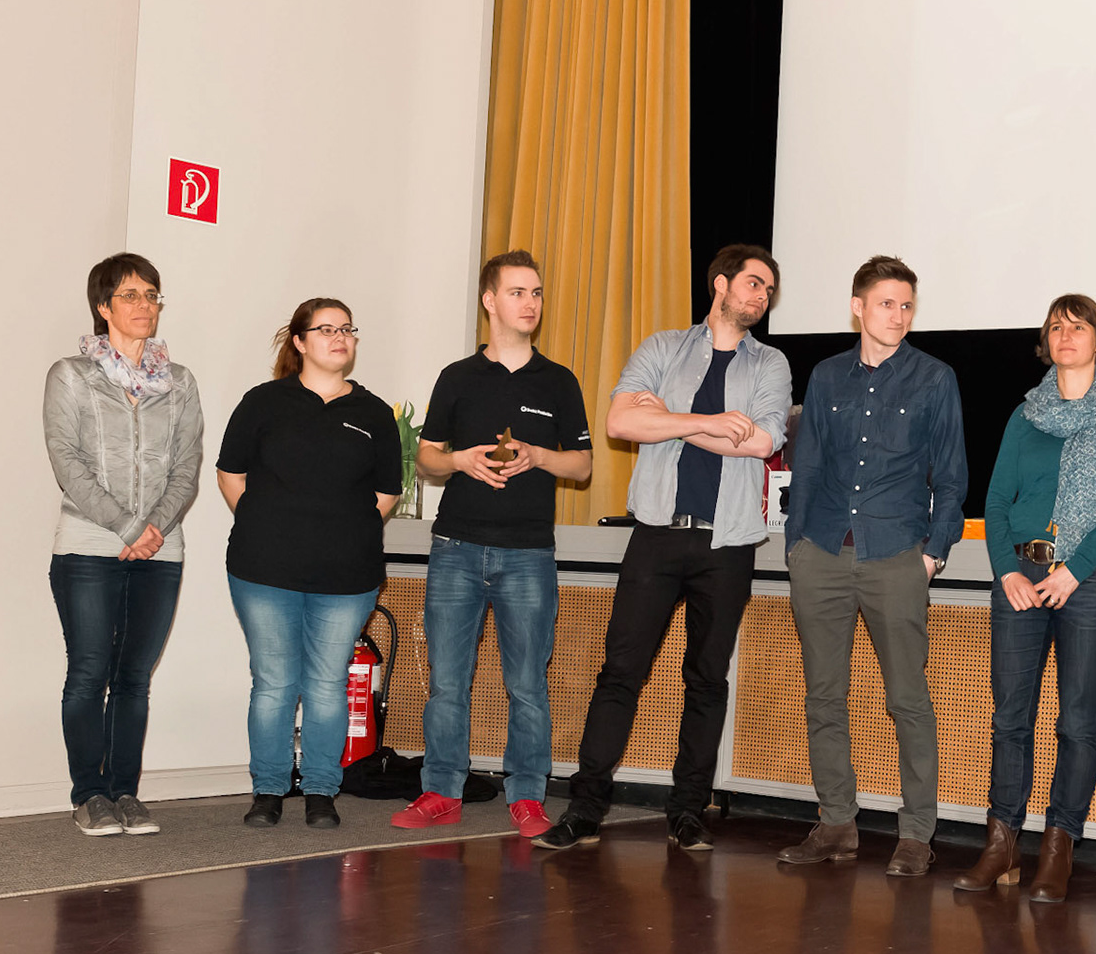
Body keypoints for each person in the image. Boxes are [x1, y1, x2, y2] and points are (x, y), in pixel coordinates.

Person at [537, 244, 791, 853]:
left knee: (706, 680)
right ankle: (586, 809)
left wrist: (670, 419)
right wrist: (706, 421)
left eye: (768, 289)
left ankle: (688, 811)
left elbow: (762, 442)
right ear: (720, 283)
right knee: (620, 672)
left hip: (728, 543)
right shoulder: (662, 348)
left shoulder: (771, 363)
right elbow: (621, 423)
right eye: (753, 283)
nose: (761, 296)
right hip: (656, 534)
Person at [777, 256, 969, 877]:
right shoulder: (827, 376)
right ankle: (836, 823)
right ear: (858, 307)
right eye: (887, 303)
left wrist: (933, 553)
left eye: (907, 305)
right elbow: (807, 465)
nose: (899, 315)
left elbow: (952, 474)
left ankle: (916, 834)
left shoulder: (934, 378)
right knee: (823, 697)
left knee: (907, 699)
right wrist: (797, 547)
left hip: (896, 556)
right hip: (822, 552)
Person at [390, 250, 592, 838]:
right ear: (490, 301)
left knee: (527, 684)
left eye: (536, 293)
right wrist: (460, 461)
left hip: (528, 553)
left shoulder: (558, 381)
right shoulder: (457, 377)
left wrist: (539, 455)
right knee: (447, 682)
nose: (530, 303)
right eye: (517, 292)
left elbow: (581, 466)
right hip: (456, 548)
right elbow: (427, 457)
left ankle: (526, 796)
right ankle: (440, 791)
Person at [954, 294, 1096, 901]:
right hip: (1021, 576)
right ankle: (1002, 844)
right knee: (1010, 717)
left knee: (1076, 720)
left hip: (1090, 579)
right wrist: (1006, 571)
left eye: (1079, 327)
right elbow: (996, 501)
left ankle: (1059, 846)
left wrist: (1076, 569)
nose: (1066, 335)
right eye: (1057, 327)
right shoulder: (1025, 414)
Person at [218, 299, 402, 829]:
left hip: (346, 577)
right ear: (299, 342)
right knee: (274, 683)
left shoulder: (373, 413)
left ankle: (322, 790)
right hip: (264, 572)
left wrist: (342, 533)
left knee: (326, 684)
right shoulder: (262, 402)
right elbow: (230, 474)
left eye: (346, 329)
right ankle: (269, 789)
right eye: (326, 329)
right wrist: (268, 527)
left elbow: (387, 492)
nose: (339, 337)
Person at [44, 253, 203, 836]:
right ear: (103, 306)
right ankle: (89, 794)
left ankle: (125, 792)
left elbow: (187, 465)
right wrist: (128, 527)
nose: (144, 305)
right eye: (130, 295)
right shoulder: (71, 375)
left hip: (162, 547)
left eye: (152, 295)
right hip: (89, 544)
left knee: (134, 677)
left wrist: (154, 527)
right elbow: (67, 461)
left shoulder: (180, 381)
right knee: (89, 672)